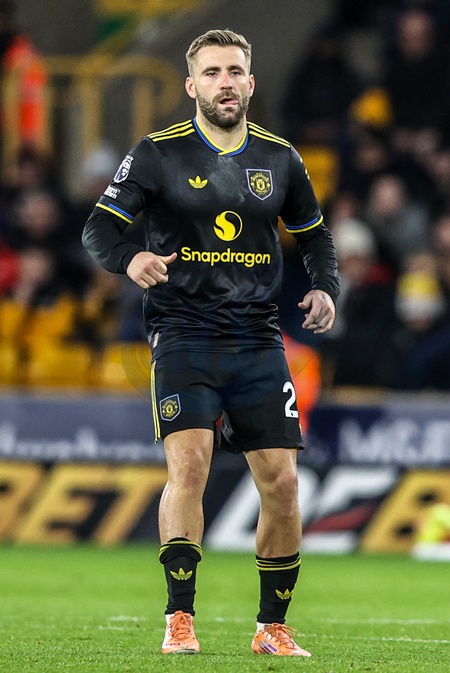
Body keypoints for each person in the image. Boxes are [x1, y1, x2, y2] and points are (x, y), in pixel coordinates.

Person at [82, 29, 339, 657]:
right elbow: (98, 230)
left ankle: (272, 627)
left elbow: (314, 236)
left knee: (283, 484)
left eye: (234, 71)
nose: (225, 82)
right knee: (190, 467)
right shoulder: (157, 153)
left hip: (257, 338)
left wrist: (325, 286)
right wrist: (130, 258)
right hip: (183, 333)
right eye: (212, 72)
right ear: (191, 85)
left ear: (251, 83)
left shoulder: (281, 158)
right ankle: (180, 617)